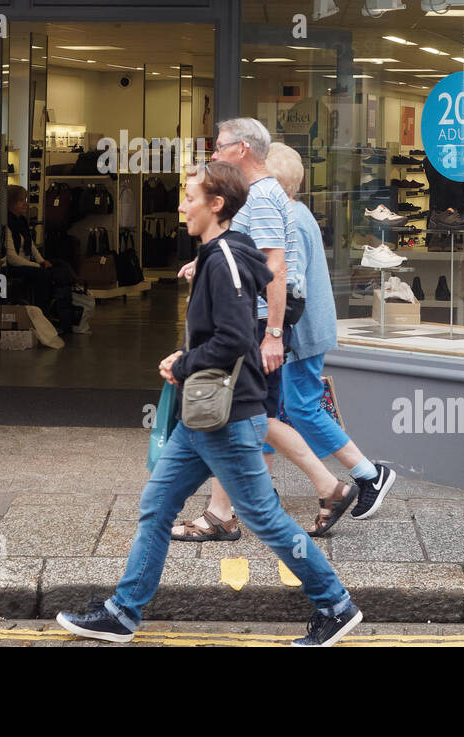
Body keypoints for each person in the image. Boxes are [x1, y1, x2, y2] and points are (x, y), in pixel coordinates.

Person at [55, 161, 363, 647]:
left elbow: (236, 338)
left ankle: (335, 603)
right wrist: (190, 356)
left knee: (264, 518)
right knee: (156, 506)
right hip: (203, 417)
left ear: (216, 205)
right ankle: (123, 612)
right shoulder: (225, 253)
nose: (181, 205)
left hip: (227, 417)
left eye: (190, 197)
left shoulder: (223, 260)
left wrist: (183, 364)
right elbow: (226, 331)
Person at [170, 118, 336, 542]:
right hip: (259, 317)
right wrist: (205, 264)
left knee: (250, 414)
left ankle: (328, 487)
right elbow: (249, 259)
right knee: (246, 414)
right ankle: (223, 512)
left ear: (242, 149)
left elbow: (274, 269)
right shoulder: (263, 195)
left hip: (259, 319)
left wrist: (273, 334)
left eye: (220, 146)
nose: (214, 154)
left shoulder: (260, 197)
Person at [267, 143, 397, 532]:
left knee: (302, 408)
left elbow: (289, 282)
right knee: (268, 410)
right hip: (303, 330)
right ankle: (262, 489)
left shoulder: (287, 219)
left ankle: (369, 473)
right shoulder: (297, 212)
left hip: (299, 333)